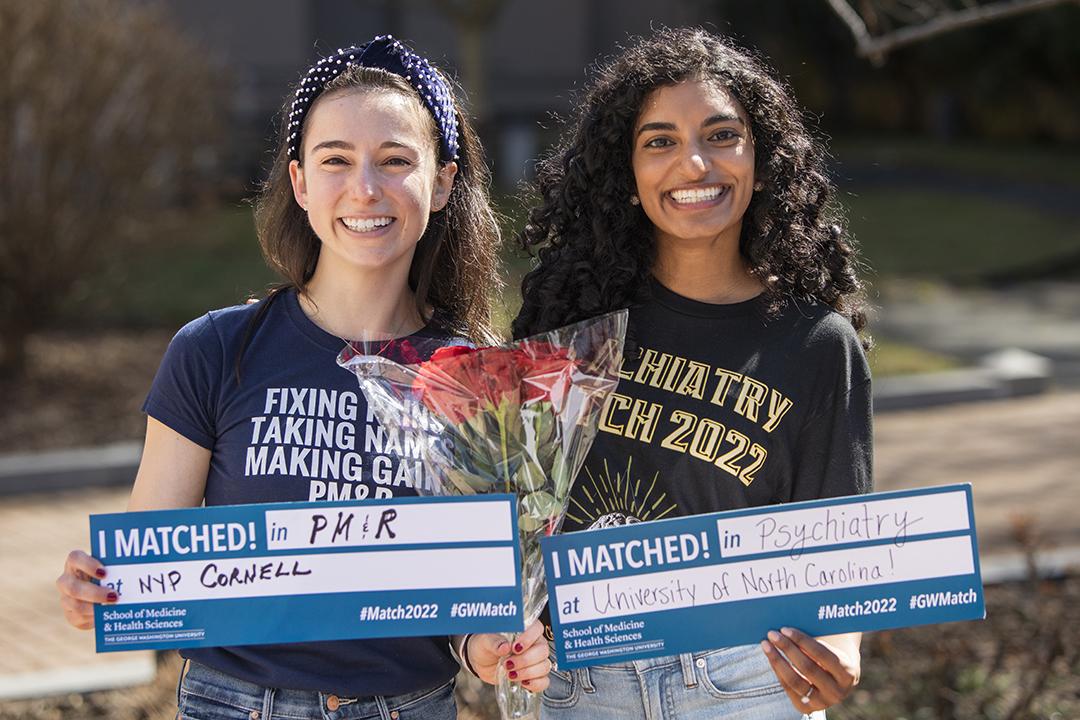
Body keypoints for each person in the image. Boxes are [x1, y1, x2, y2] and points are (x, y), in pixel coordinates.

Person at [55, 35, 548, 719]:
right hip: (232, 704)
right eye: (336, 160)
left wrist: (484, 647)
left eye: (396, 160)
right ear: (300, 183)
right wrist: (101, 589)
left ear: (441, 182)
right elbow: (152, 561)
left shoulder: (473, 377)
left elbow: (460, 595)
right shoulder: (214, 350)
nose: (365, 187)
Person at [513, 28, 871, 719]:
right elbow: (517, 518)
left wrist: (840, 647)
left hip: (749, 679)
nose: (695, 163)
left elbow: (839, 547)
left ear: (761, 161)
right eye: (660, 141)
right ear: (628, 172)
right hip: (586, 684)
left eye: (721, 135)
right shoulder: (568, 329)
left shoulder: (818, 346)